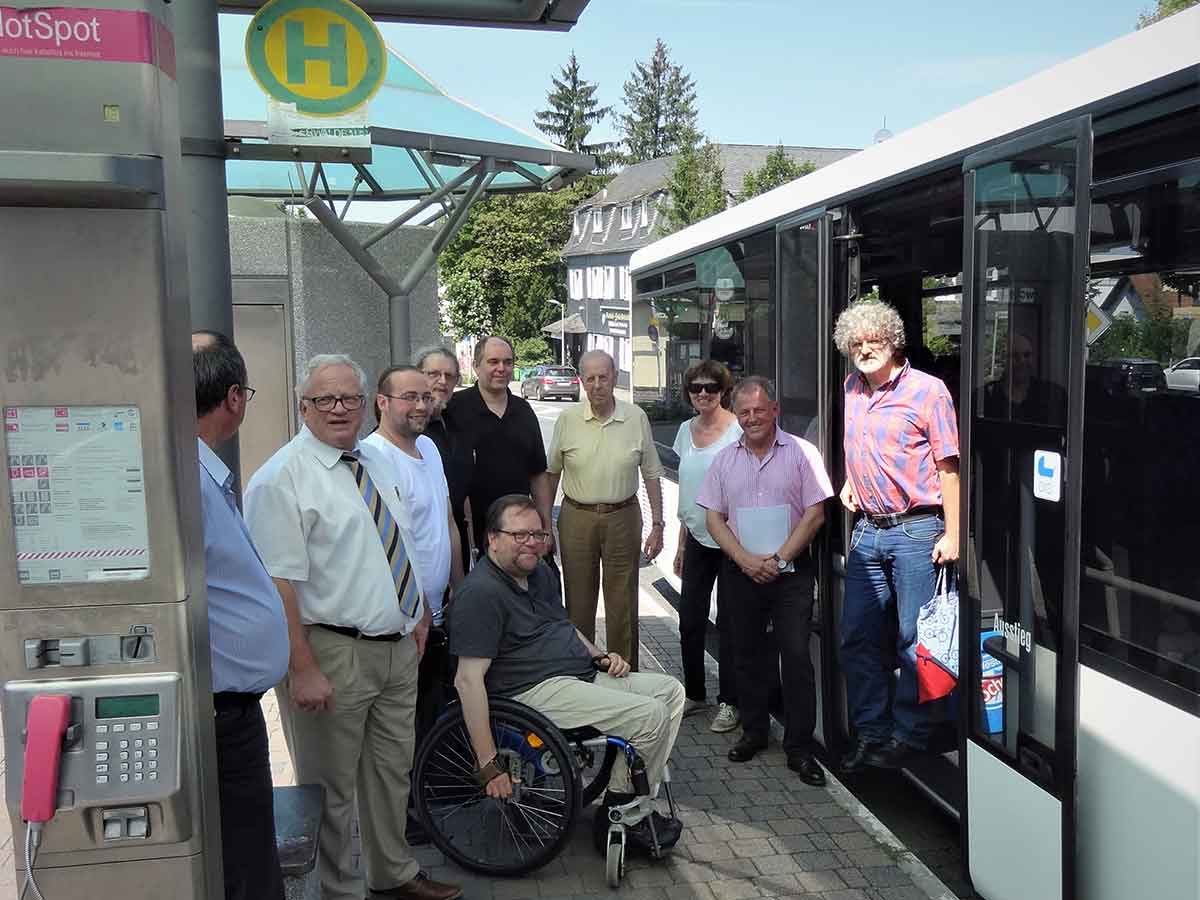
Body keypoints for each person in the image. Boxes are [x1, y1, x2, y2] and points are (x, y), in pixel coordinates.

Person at [245, 354, 461, 900]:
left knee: (391, 773)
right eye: (325, 400)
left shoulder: (377, 461)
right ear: (303, 407)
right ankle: (341, 891)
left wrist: (414, 616)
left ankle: (393, 873)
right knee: (331, 789)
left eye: (349, 399)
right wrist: (303, 668)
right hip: (331, 654)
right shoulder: (281, 480)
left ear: (366, 404)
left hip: (396, 649)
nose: (339, 409)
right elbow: (279, 586)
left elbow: (400, 541)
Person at [451, 493, 685, 853]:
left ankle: (624, 799)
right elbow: (467, 681)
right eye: (519, 535)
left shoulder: (540, 572)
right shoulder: (480, 594)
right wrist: (488, 764)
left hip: (575, 673)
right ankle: (623, 815)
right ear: (492, 539)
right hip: (530, 690)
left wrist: (601, 656)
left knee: (670, 692)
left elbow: (563, 626)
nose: (531, 543)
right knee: (649, 716)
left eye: (538, 534)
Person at [833, 299, 960, 773]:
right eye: (856, 343)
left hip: (917, 530)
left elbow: (949, 466)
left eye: (874, 340)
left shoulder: (929, 392)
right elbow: (862, 446)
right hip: (868, 528)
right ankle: (872, 731)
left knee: (912, 639)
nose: (865, 349)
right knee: (857, 637)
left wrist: (953, 531)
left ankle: (910, 733)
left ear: (893, 341)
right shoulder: (851, 388)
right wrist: (852, 480)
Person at [698, 376, 833, 786]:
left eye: (760, 410)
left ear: (775, 410)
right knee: (746, 656)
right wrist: (743, 559)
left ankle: (799, 747)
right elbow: (713, 518)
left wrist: (778, 559)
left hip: (790, 574)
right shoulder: (724, 460)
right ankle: (754, 732)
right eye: (744, 412)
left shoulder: (802, 453)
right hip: (742, 573)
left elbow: (815, 513)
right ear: (736, 416)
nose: (752, 418)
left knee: (795, 658)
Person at [191, 331, 289, 900]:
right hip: (218, 715)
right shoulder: (187, 479)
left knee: (250, 853)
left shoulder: (203, 473)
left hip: (231, 709)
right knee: (246, 863)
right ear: (234, 397)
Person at [364, 365, 465, 744]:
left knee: (431, 716)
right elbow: (384, 547)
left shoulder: (428, 447)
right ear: (382, 402)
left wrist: (460, 587)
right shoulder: (373, 458)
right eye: (410, 397)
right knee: (404, 730)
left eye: (425, 397)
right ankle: (406, 801)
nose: (421, 405)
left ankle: (425, 795)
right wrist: (418, 605)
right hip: (405, 621)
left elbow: (447, 519)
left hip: (437, 613)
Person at [546, 349, 665, 671]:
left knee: (623, 602)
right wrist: (545, 523)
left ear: (614, 377)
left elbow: (652, 474)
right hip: (577, 517)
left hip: (623, 516)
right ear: (582, 381)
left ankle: (626, 674)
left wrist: (658, 524)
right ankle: (583, 672)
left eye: (604, 377)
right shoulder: (568, 419)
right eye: (590, 378)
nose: (597, 384)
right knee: (579, 601)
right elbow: (551, 473)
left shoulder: (635, 417)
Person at [670, 359, 742, 733]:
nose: (702, 394)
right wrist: (681, 544)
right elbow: (688, 490)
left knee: (729, 623)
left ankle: (730, 701)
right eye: (695, 388)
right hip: (697, 538)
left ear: (722, 391)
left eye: (710, 388)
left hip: (731, 542)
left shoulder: (737, 431)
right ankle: (695, 693)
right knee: (690, 620)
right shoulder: (685, 430)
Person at [444, 336, 553, 552]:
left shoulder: (524, 411)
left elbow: (538, 475)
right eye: (493, 362)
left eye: (508, 362)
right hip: (471, 534)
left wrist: (545, 528)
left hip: (520, 534)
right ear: (476, 366)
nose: (501, 368)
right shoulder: (454, 410)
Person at [413, 346, 474, 559]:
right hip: (421, 541)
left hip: (456, 536)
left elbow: (462, 489)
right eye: (433, 374)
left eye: (449, 376)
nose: (442, 381)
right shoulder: (404, 429)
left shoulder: (457, 424)